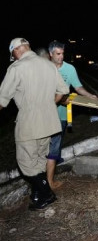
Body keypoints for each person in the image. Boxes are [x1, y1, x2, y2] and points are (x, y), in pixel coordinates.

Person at [0, 38, 69, 210]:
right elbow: (63, 90)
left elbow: (2, 100)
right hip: (49, 121)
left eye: (13, 55)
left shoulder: (16, 68)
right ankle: (37, 196)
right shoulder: (48, 65)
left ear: (16, 50)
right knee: (39, 160)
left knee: (26, 164)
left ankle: (47, 194)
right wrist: (48, 105)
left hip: (29, 122)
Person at [47, 40, 98, 189]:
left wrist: (90, 96)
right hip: (45, 115)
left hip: (61, 115)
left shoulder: (69, 69)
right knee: (51, 147)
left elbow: (78, 87)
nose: (61, 57)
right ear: (50, 54)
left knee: (56, 144)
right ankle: (49, 182)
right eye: (58, 54)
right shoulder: (44, 68)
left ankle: (50, 171)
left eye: (63, 53)